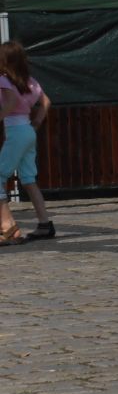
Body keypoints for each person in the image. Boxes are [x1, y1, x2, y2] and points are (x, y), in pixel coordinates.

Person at [0, 41, 53, 245]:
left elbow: (11, 102)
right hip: (28, 131)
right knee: (29, 179)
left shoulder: (4, 80)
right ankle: (44, 224)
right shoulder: (30, 81)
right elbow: (46, 102)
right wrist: (38, 120)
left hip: (15, 131)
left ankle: (8, 226)